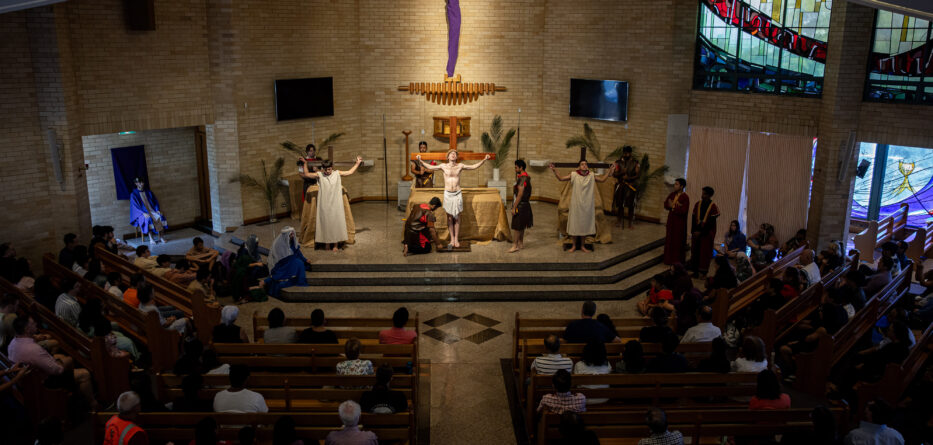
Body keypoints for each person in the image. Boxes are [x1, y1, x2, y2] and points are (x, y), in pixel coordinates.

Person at [9, 316, 95, 407]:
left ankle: (75, 392)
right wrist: (58, 363)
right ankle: (93, 404)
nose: (36, 324)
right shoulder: (34, 349)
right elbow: (57, 370)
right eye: (33, 323)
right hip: (43, 384)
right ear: (27, 329)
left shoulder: (14, 342)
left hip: (29, 379)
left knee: (68, 359)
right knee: (84, 373)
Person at [417, 150, 490, 248]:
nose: (453, 155)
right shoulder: (443, 166)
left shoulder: (460, 166)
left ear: (456, 157)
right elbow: (430, 167)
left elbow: (473, 167)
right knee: (450, 217)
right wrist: (421, 161)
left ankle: (456, 239)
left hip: (457, 193)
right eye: (451, 153)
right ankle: (452, 238)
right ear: (448, 157)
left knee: (457, 217)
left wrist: (484, 160)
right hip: (448, 194)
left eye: (454, 154)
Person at [549, 160, 613, 252]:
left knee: (584, 225)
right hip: (576, 204)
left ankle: (583, 246)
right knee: (575, 225)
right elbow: (561, 178)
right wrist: (554, 170)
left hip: (587, 205)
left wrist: (609, 171)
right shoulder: (574, 174)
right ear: (579, 166)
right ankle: (574, 246)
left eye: (585, 164)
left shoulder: (591, 175)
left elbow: (602, 180)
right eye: (582, 164)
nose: (584, 165)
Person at [300, 157, 363, 252]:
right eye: (325, 169)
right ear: (323, 168)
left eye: (329, 169)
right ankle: (327, 243)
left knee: (335, 223)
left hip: (336, 203)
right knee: (326, 223)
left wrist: (357, 163)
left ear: (332, 167)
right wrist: (305, 163)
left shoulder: (337, 173)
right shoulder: (320, 175)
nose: (327, 171)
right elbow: (307, 174)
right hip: (324, 204)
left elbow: (349, 172)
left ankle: (335, 244)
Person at [263, 227, 310, 297]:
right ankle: (268, 280)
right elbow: (279, 258)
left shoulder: (292, 242)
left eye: (293, 234)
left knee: (300, 263)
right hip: (282, 262)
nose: (293, 236)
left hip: (292, 260)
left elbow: (298, 252)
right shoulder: (279, 244)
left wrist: (305, 259)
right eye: (291, 235)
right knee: (293, 265)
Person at [690, 186, 720, 276]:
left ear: (709, 195)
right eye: (702, 193)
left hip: (706, 233)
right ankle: (695, 270)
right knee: (695, 251)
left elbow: (711, 223)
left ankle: (703, 272)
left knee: (704, 253)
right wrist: (694, 231)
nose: (702, 195)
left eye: (705, 194)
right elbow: (693, 218)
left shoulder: (713, 207)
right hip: (697, 232)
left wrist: (701, 232)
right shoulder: (697, 204)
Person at [129, 177, 167, 244]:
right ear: (136, 183)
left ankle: (161, 237)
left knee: (161, 216)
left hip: (152, 211)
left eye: (142, 182)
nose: (141, 184)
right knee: (148, 219)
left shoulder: (148, 192)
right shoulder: (133, 194)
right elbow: (135, 207)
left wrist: (157, 210)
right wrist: (143, 213)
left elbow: (155, 202)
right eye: (139, 182)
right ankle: (151, 239)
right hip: (141, 213)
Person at [231, 235, 267, 303]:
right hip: (242, 291)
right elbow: (245, 288)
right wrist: (257, 287)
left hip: (249, 268)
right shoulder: (244, 252)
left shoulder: (252, 248)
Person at [573, 340, 611, 405]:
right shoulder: (607, 365)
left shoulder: (578, 365)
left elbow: (576, 384)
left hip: (584, 399)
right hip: (603, 398)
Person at [612, 145, 641, 229]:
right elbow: (614, 174)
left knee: (631, 205)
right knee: (620, 204)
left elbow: (638, 175)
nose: (626, 154)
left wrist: (629, 178)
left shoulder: (635, 163)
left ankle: (630, 223)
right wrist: (621, 173)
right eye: (624, 153)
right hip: (621, 185)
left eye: (627, 153)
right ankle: (619, 221)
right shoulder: (618, 162)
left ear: (630, 153)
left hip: (630, 185)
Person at [509, 159, 534, 253]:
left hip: (520, 205)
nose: (515, 169)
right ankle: (520, 243)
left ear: (521, 167)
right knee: (522, 225)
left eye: (516, 167)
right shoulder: (527, 177)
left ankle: (515, 245)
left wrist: (514, 207)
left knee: (517, 227)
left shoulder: (522, 178)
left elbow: (520, 194)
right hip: (526, 204)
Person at [663, 179, 690, 265]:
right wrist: (670, 206)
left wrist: (673, 207)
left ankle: (676, 261)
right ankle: (668, 259)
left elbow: (684, 210)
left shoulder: (685, 197)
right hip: (671, 221)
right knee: (669, 240)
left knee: (677, 241)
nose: (674, 186)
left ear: (681, 186)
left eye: (676, 184)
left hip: (679, 223)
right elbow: (666, 204)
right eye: (675, 184)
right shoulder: (672, 194)